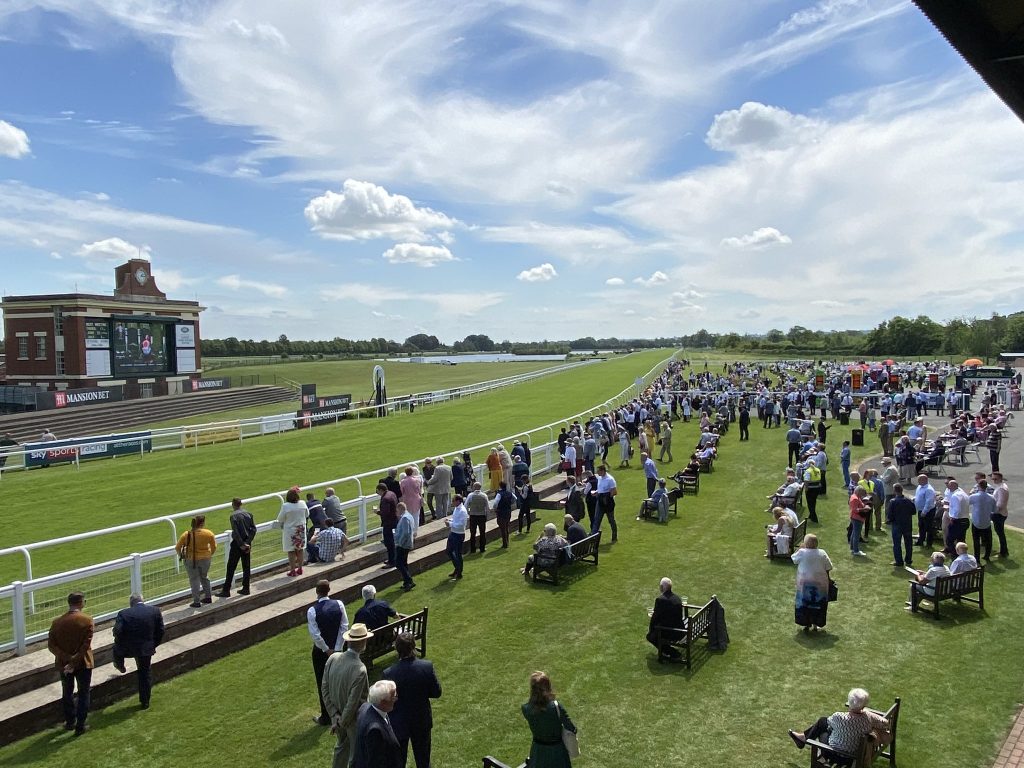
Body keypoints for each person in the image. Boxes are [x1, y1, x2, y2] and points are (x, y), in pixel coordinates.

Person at [382, 632, 442, 768]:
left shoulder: (389, 673)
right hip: (421, 720)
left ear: (396, 648)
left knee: (398, 762)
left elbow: (385, 700)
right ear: (413, 647)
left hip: (398, 722)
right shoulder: (426, 667)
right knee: (423, 761)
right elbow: (437, 692)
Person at [788, 688, 890, 762]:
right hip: (855, 755)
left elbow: (828, 723)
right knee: (823, 723)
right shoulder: (869, 717)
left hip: (835, 754)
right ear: (864, 705)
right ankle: (802, 738)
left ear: (849, 702)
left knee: (822, 726)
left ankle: (805, 741)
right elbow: (885, 723)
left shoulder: (839, 717)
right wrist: (869, 714)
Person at [322, 622, 372, 768]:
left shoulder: (333, 658)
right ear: (364, 642)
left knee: (341, 750)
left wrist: (334, 715)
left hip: (338, 716)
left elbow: (324, 688)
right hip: (353, 720)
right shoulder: (360, 669)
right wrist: (342, 722)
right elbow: (353, 702)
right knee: (356, 757)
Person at [48, 592, 94, 735]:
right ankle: (80, 725)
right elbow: (86, 645)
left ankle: (70, 722)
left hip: (64, 664)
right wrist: (74, 660)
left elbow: (51, 645)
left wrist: (67, 659)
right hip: (82, 663)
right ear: (80, 603)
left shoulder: (57, 622)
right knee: (83, 693)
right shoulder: (87, 620)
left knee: (67, 692)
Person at [308, 579, 350, 726]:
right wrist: (337, 647)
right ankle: (343, 708)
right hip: (338, 648)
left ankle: (326, 716)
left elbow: (315, 635)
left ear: (317, 592)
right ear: (329, 590)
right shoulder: (339, 604)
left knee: (322, 682)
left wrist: (327, 650)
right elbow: (344, 626)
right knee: (340, 679)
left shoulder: (312, 610)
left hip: (321, 652)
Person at [112, 593, 164, 709]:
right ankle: (145, 701)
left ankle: (120, 665)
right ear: (142, 600)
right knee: (144, 674)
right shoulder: (154, 611)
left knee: (116, 648)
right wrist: (153, 645)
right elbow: (160, 631)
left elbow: (117, 632)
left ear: (131, 603)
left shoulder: (124, 613)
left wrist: (122, 641)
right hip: (146, 648)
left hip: (129, 649)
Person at [522, 671, 577, 768]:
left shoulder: (525, 708)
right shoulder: (555, 707)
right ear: (548, 687)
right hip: (557, 752)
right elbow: (571, 728)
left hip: (538, 751)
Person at [353, 680, 402, 768]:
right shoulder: (375, 730)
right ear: (383, 702)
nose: (396, 699)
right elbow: (376, 763)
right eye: (393, 697)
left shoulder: (365, 707)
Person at [792, 533, 833, 633]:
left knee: (804, 603)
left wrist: (800, 548)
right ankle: (815, 624)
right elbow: (829, 567)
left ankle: (806, 624)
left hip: (804, 584)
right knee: (817, 604)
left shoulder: (802, 552)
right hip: (820, 584)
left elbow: (793, 559)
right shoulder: (822, 553)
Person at [176, 514, 217, 607]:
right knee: (205, 577)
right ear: (202, 523)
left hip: (191, 560)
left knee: (194, 580)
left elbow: (177, 547)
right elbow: (214, 547)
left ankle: (197, 601)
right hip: (206, 559)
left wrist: (182, 556)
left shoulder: (186, 534)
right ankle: (208, 597)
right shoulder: (209, 533)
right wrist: (209, 554)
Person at [219, 497, 256, 597]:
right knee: (246, 566)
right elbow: (253, 529)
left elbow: (236, 532)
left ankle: (226, 590)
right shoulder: (249, 514)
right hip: (247, 544)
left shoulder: (233, 516)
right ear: (241, 504)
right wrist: (247, 543)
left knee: (231, 567)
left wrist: (241, 544)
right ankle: (246, 588)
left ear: (233, 504)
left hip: (237, 545)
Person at [646, 577, 685, 661]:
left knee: (650, 636)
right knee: (654, 634)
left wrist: (651, 629)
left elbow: (655, 618)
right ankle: (668, 651)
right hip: (680, 629)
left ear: (661, 587)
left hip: (671, 632)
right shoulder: (677, 598)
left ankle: (673, 653)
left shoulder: (660, 600)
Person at [276, 486, 307, 577]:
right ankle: (300, 568)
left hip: (290, 531)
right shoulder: (302, 503)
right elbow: (307, 514)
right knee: (300, 549)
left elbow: (280, 519)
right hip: (301, 529)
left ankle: (293, 570)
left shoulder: (286, 506)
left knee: (291, 551)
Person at [885, 484, 915, 567]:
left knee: (897, 544)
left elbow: (889, 515)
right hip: (907, 524)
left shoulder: (893, 501)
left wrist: (890, 520)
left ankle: (899, 561)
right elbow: (913, 512)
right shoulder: (909, 500)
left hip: (897, 525)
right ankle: (908, 560)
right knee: (908, 543)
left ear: (894, 491)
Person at [968, 479, 995, 562]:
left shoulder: (974, 496)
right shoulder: (991, 497)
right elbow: (994, 509)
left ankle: (977, 558)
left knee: (976, 540)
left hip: (976, 521)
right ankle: (987, 556)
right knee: (988, 540)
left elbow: (967, 503)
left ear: (979, 486)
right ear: (986, 487)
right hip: (986, 521)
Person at [590, 464, 618, 542]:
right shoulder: (599, 478)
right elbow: (600, 489)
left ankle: (614, 536)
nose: (596, 472)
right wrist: (596, 493)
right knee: (597, 520)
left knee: (611, 520)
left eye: (598, 471)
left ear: (602, 471)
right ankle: (593, 538)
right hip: (600, 502)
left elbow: (614, 492)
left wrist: (606, 497)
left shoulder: (610, 479)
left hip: (608, 503)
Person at [376, 482, 400, 568]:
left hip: (388, 522)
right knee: (391, 542)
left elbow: (385, 513)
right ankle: (392, 559)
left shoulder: (385, 498)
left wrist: (377, 512)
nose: (377, 493)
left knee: (389, 543)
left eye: (377, 491)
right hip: (394, 520)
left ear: (381, 490)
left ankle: (392, 561)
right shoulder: (391, 493)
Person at [393, 502, 417, 591]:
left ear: (400, 509)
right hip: (406, 543)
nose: (396, 512)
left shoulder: (405, 518)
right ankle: (406, 582)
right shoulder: (409, 516)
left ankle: (409, 580)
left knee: (399, 563)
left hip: (403, 545)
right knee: (403, 563)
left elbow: (406, 532)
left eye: (397, 510)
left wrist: (400, 543)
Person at [445, 494, 468, 580]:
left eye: (453, 500)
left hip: (458, 534)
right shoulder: (456, 509)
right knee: (448, 551)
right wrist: (450, 520)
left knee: (458, 554)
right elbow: (456, 520)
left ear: (458, 501)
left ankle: (459, 572)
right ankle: (457, 568)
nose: (452, 502)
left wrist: (450, 524)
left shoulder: (462, 511)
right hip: (453, 533)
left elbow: (461, 525)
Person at [914, 474, 937, 548]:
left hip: (928, 511)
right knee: (921, 526)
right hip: (921, 510)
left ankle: (929, 544)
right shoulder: (920, 487)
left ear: (925, 480)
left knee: (928, 527)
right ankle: (921, 540)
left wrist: (924, 512)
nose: (918, 481)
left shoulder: (929, 489)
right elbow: (918, 496)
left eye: (919, 480)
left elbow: (929, 502)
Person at [466, 482, 490, 554]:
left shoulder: (470, 495)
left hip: (473, 516)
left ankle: (473, 549)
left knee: (473, 533)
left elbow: (466, 505)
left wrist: (468, 513)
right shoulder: (484, 495)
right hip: (482, 516)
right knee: (482, 532)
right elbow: (487, 507)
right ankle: (482, 548)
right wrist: (487, 516)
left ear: (474, 487)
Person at [991, 472, 1010, 557]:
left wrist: (992, 512)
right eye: (993, 479)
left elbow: (1000, 505)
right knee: (1000, 533)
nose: (994, 480)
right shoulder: (1001, 486)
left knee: (1000, 533)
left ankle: (1003, 551)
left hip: (999, 514)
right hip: (1000, 513)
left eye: (995, 479)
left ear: (1000, 478)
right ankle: (1003, 550)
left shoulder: (1002, 488)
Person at [493, 480, 515, 548]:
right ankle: (507, 541)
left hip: (501, 512)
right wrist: (510, 503)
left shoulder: (499, 494)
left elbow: (495, 503)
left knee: (503, 528)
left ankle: (505, 544)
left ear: (500, 486)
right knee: (506, 526)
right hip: (508, 511)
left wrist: (495, 508)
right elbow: (514, 499)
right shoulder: (509, 493)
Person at [848, 487, 869, 557]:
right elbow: (854, 509)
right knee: (856, 535)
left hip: (856, 518)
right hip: (857, 518)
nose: (863, 495)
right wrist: (864, 509)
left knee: (854, 533)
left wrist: (864, 506)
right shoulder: (855, 498)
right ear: (859, 491)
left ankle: (852, 548)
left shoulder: (856, 497)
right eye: (862, 493)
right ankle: (856, 551)